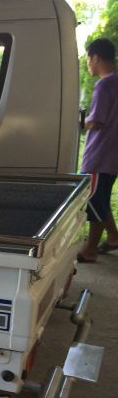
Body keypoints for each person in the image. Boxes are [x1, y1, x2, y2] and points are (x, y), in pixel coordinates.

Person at [78, 37, 118, 263]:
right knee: (101, 197)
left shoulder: (104, 84)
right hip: (113, 155)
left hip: (99, 155)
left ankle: (89, 249)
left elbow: (97, 121)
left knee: (93, 200)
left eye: (87, 59)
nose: (87, 64)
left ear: (96, 57)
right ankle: (113, 237)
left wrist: (78, 121)